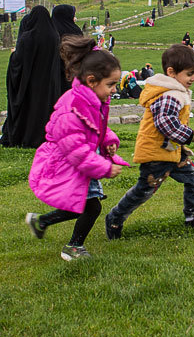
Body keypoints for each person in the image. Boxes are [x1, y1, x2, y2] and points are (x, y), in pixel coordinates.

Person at [25, 36, 130, 261]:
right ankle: (73, 247)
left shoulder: (93, 101)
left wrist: (110, 141)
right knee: (90, 207)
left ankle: (41, 221)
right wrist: (104, 168)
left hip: (83, 162)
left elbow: (98, 129)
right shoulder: (72, 109)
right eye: (111, 84)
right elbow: (77, 152)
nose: (114, 90)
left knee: (82, 205)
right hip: (69, 165)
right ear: (92, 80)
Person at [105, 44, 194, 239]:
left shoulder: (176, 91)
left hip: (173, 152)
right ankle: (114, 218)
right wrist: (190, 136)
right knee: (144, 190)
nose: (193, 78)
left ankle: (192, 216)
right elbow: (165, 124)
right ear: (171, 72)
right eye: (189, 74)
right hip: (156, 154)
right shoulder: (168, 94)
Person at [0, 6, 62, 148]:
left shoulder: (28, 38)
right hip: (48, 83)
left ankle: (26, 137)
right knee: (45, 111)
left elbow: (18, 61)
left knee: (30, 110)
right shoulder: (54, 36)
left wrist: (13, 55)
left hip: (30, 84)